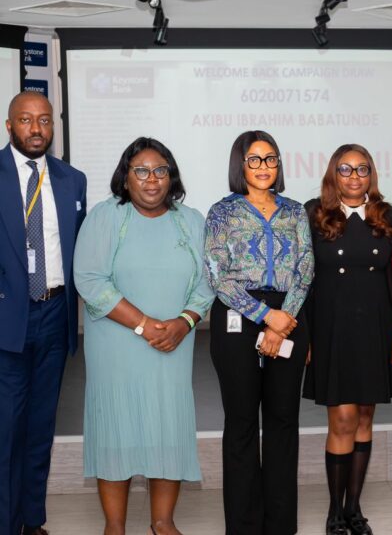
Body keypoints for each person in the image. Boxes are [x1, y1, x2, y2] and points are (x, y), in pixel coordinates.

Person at [73, 137, 214, 535]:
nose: (152, 180)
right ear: (126, 177)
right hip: (117, 346)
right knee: (115, 428)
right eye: (141, 171)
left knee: (168, 428)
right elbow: (89, 278)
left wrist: (184, 321)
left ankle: (162, 522)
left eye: (160, 171)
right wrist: (144, 324)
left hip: (173, 344)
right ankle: (114, 527)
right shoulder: (105, 217)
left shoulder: (192, 221)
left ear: (171, 177)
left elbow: (209, 282)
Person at [204, 130, 313, 535]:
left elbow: (305, 269)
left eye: (271, 159)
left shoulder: (295, 211)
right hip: (238, 317)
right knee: (242, 424)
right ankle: (245, 527)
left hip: (291, 317)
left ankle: (281, 526)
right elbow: (218, 274)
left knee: (284, 423)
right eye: (255, 159)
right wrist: (266, 316)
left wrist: (283, 319)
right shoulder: (221, 212)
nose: (264, 167)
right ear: (240, 165)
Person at [302, 144, 392, 535]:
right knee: (342, 417)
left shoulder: (385, 214)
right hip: (331, 328)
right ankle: (333, 512)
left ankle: (354, 510)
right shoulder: (314, 213)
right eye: (345, 169)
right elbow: (303, 279)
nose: (354, 176)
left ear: (371, 175)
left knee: (364, 416)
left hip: (374, 327)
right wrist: (307, 335)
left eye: (362, 169)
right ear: (333, 173)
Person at [0, 91, 87, 535]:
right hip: (5, 322)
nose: (36, 129)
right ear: (10, 125)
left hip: (55, 314)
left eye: (45, 121)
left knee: (39, 430)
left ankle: (32, 522)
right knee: (6, 432)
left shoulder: (73, 180)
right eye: (26, 120)